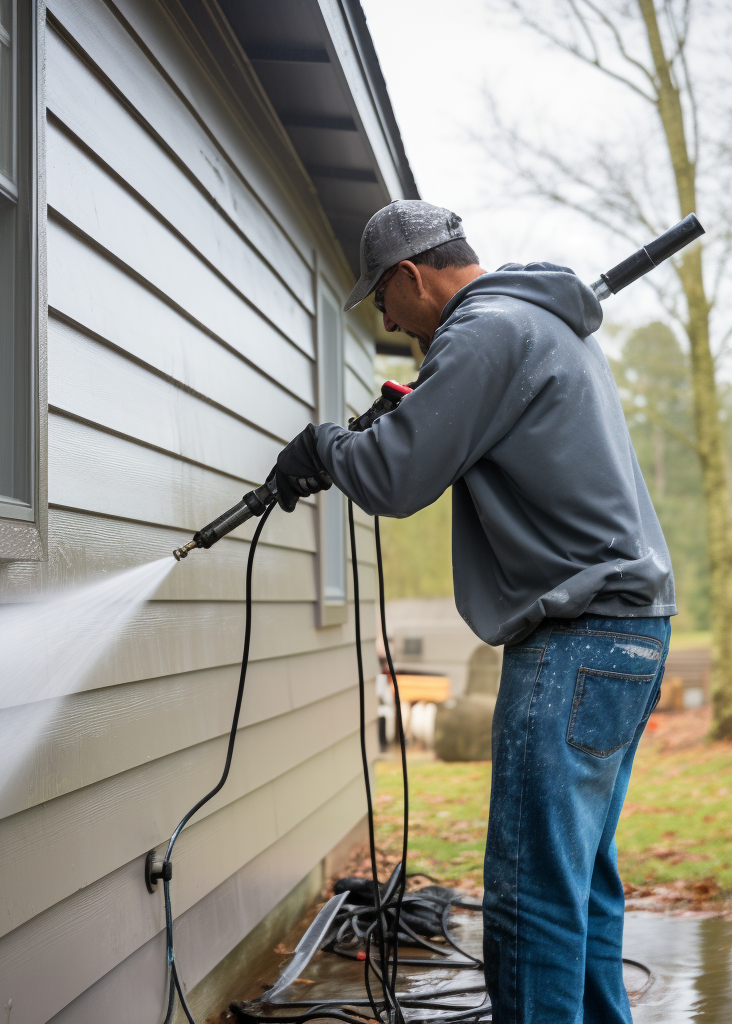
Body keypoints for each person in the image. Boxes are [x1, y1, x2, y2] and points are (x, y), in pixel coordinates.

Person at [269, 200, 675, 1024]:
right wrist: (409, 416)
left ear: (410, 277)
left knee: (530, 899)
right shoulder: (535, 322)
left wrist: (324, 447)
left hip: (576, 642)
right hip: (629, 636)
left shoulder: (483, 332)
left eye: (383, 303)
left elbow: (391, 479)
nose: (389, 322)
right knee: (580, 886)